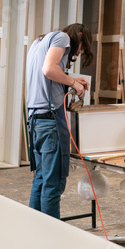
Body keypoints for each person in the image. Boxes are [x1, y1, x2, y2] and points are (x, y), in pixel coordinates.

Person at [26, 23, 94, 219]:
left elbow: (45, 75)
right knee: (53, 184)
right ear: (79, 36)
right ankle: (54, 241)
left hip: (36, 121)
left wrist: (72, 79)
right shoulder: (63, 38)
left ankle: (36, 233)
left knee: (41, 179)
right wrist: (73, 83)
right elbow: (49, 69)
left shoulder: (38, 42)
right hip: (50, 122)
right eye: (82, 47)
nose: (78, 52)